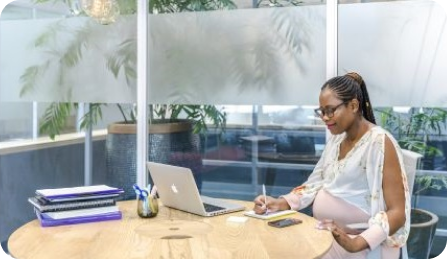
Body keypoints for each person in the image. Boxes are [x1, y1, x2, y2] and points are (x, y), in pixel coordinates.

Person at [253, 72, 410, 259]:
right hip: (328, 235)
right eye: (321, 111)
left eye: (330, 110)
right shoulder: (337, 141)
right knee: (273, 245)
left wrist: (355, 243)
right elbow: (314, 183)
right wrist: (281, 203)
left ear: (353, 105)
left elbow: (398, 213)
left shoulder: (379, 142)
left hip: (362, 244)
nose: (325, 117)